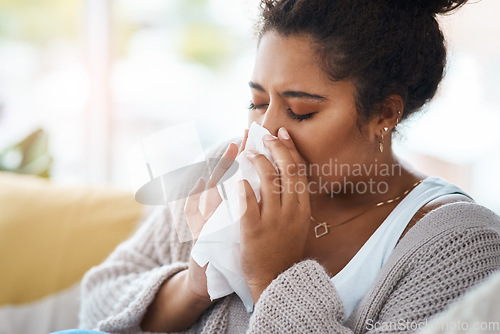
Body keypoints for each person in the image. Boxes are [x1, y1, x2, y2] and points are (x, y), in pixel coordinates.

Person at [78, 0, 500, 333]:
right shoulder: (226, 172)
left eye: (299, 111)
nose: (267, 131)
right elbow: (98, 301)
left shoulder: (464, 247)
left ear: (384, 114)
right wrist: (194, 286)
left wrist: (275, 279)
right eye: (258, 103)